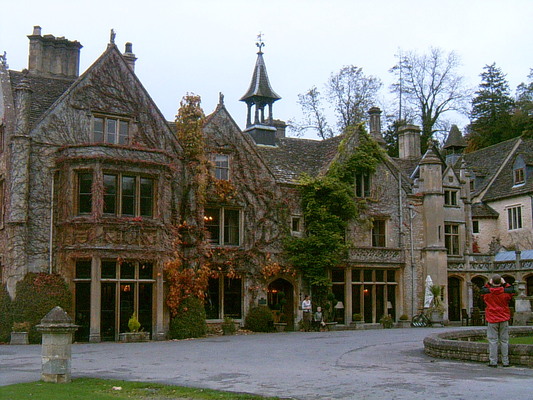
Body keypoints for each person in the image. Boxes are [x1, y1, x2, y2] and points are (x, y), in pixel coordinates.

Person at [481, 274, 515, 367]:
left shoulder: (488, 292)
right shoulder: (505, 292)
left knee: (493, 340)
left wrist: (489, 283)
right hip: (503, 317)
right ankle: (505, 361)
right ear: (500, 281)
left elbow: (482, 290)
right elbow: (512, 290)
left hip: (492, 318)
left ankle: (493, 361)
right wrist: (504, 283)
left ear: (492, 282)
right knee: (504, 340)